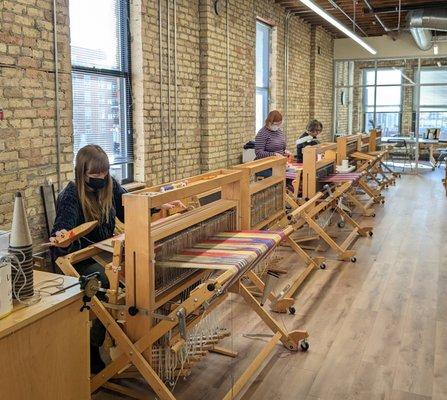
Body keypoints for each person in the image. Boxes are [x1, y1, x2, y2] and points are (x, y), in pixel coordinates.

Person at [50, 144, 184, 373]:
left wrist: (158, 206)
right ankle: (94, 346)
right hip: (80, 259)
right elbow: (62, 232)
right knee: (105, 284)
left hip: (105, 252)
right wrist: (62, 237)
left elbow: (130, 208)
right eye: (95, 175)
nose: (101, 178)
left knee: (143, 266)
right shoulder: (71, 196)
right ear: (82, 173)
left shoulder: (111, 186)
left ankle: (143, 333)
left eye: (104, 172)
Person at [254, 110, 291, 178]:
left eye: (279, 124)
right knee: (279, 177)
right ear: (269, 122)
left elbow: (281, 147)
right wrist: (274, 154)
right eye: (276, 124)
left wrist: (285, 152)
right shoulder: (262, 133)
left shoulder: (279, 131)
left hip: (278, 164)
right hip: (265, 166)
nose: (277, 126)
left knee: (293, 175)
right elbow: (258, 152)